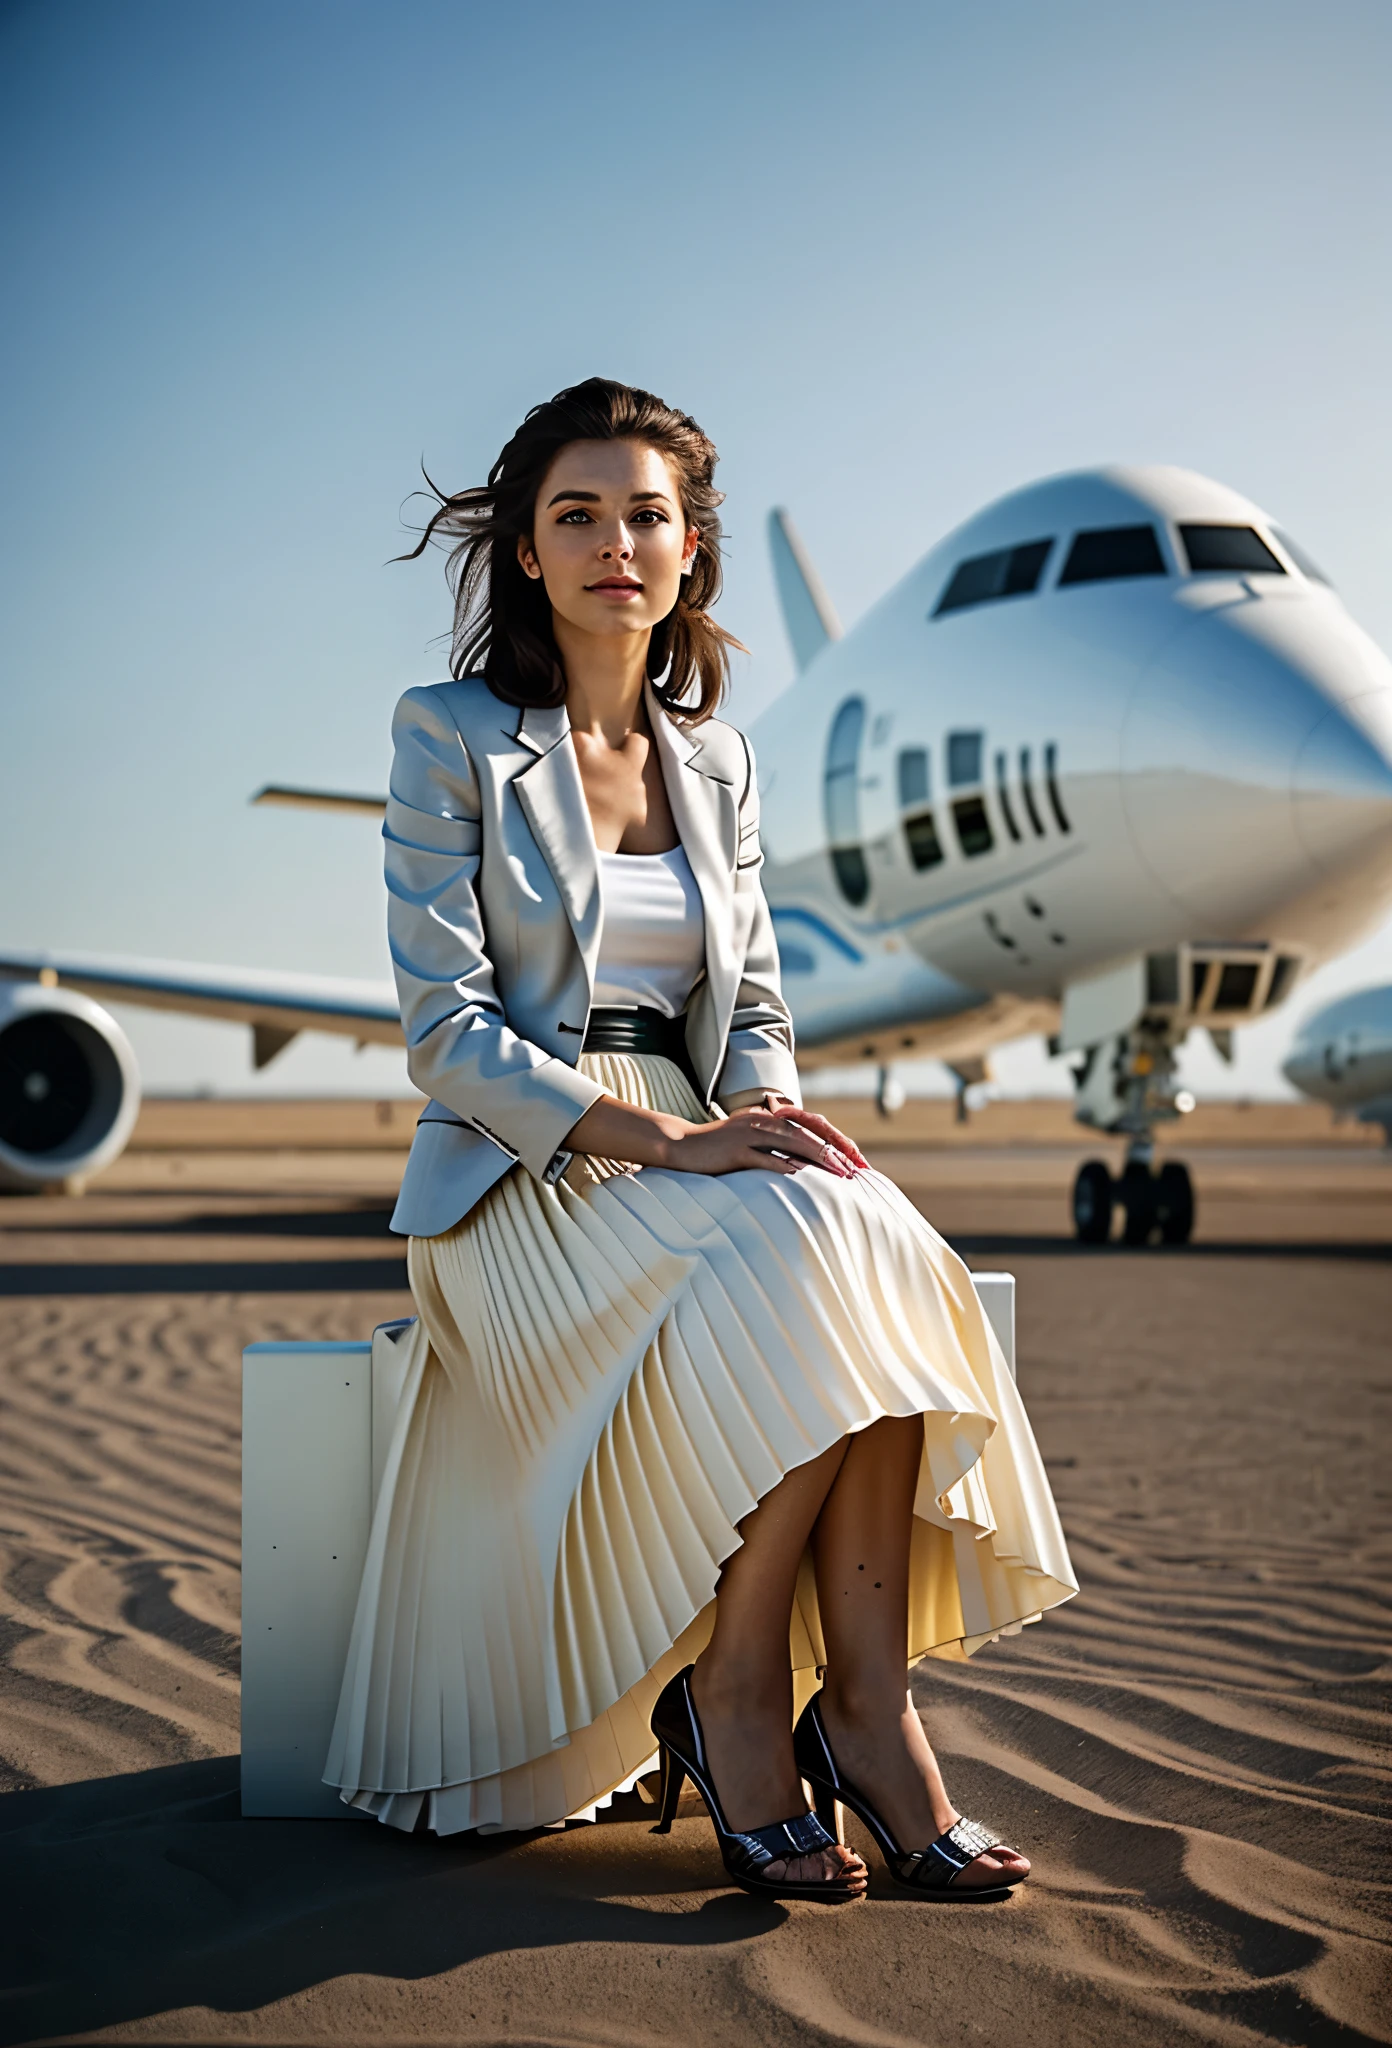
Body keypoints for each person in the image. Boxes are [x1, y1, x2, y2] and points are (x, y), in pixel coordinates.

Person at [324, 378, 1077, 1901]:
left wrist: (765, 1114)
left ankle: (869, 1708)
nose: (618, 542)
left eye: (648, 514)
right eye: (577, 515)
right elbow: (446, 1035)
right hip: (529, 1174)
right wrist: (662, 1147)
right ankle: (738, 1698)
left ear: (689, 550)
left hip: (697, 1144)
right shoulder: (451, 736)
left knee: (870, 1236)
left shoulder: (718, 759)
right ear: (527, 553)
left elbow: (754, 1008)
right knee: (800, 1265)